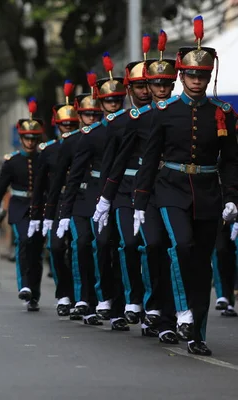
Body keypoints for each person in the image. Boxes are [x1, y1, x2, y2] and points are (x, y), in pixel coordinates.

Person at [133, 16, 238, 356]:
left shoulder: (222, 112)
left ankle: (197, 334)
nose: (196, 80)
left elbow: (231, 160)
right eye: (191, 74)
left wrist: (233, 197)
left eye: (202, 75)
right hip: (171, 188)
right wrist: (139, 202)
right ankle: (182, 312)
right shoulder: (163, 112)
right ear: (181, 75)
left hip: (208, 191)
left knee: (201, 261)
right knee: (181, 246)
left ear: (209, 77)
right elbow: (149, 159)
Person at [95, 30, 179, 344]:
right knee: (127, 246)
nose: (147, 91)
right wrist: (105, 196)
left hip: (167, 188)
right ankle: (132, 300)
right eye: (141, 85)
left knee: (163, 249)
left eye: (152, 84)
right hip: (126, 192)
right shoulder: (124, 121)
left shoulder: (172, 113)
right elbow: (111, 165)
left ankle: (165, 311)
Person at [58, 54, 128, 329]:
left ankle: (121, 306)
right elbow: (74, 175)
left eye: (117, 100)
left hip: (125, 193)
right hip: (95, 198)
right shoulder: (90, 135)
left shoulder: (133, 125)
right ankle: (92, 297)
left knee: (123, 249)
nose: (113, 104)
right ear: (100, 102)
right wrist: (63, 211)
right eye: (109, 101)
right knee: (93, 246)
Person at [0, 99, 45, 311]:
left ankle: (34, 294)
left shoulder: (43, 159)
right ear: (21, 138)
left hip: (40, 207)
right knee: (23, 242)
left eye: (34, 138)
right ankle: (25, 286)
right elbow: (0, 190)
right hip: (19, 206)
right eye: (27, 138)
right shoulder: (12, 162)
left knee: (37, 250)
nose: (30, 142)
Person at [28, 79, 80, 316]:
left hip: (80, 200)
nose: (68, 128)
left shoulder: (84, 143)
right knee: (57, 248)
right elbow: (39, 186)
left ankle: (81, 296)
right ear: (57, 125)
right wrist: (36, 215)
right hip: (57, 203)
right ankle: (64, 293)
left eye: (71, 124)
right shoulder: (48, 150)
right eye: (64, 125)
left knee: (80, 248)